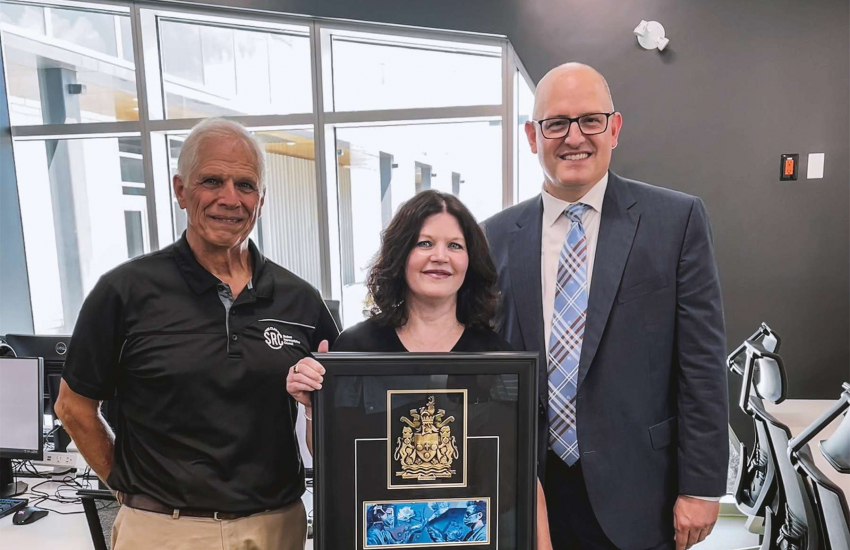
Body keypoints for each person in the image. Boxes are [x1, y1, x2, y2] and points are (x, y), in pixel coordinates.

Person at [55, 118, 338, 550]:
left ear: (261, 200)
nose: (230, 198)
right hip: (163, 530)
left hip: (276, 527)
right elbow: (73, 407)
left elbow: (340, 412)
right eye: (212, 181)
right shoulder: (125, 292)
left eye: (245, 185)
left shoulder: (300, 300)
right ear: (181, 190)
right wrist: (127, 487)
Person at [482, 63, 729, 550]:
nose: (574, 137)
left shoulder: (676, 221)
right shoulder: (493, 236)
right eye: (556, 123)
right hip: (525, 489)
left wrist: (701, 486)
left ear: (614, 129)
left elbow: (701, 364)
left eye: (590, 120)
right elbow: (470, 350)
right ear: (532, 137)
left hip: (641, 491)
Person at [287, 190, 554, 549]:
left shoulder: (498, 359)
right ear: (402, 255)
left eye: (455, 246)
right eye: (424, 243)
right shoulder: (356, 348)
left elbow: (521, 470)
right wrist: (312, 406)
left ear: (470, 261)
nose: (440, 256)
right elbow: (331, 455)